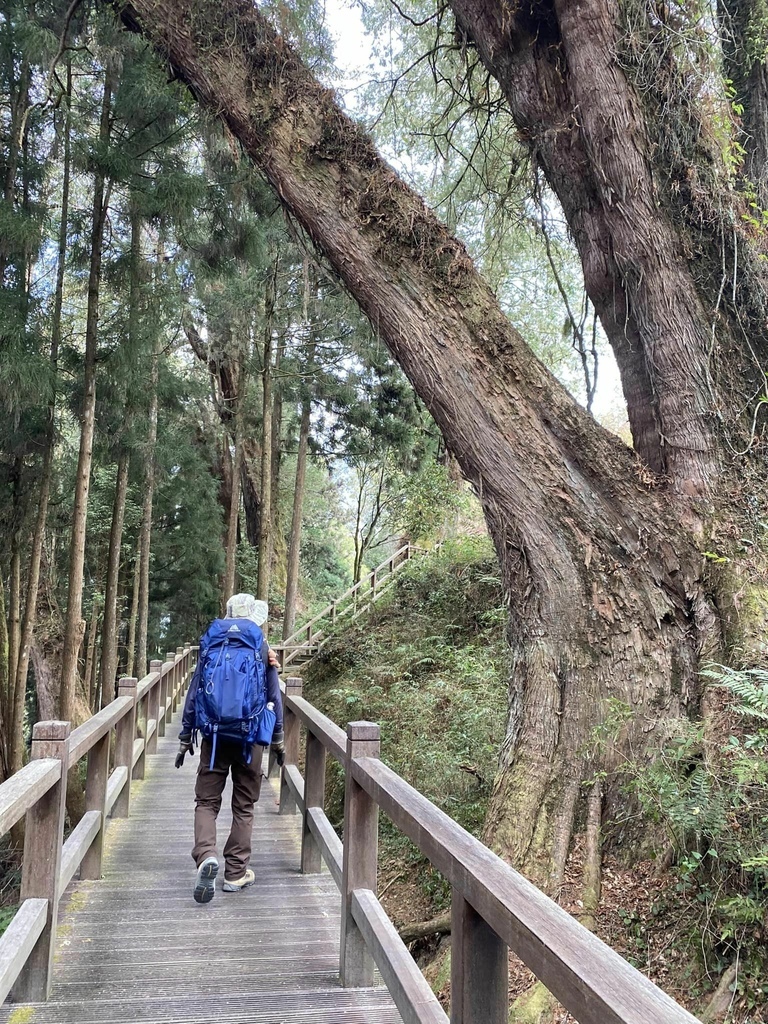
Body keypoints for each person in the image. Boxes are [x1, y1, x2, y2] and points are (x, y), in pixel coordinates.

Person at [177, 593, 285, 903]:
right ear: (252, 616)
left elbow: (195, 691)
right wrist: (277, 738)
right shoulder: (259, 645)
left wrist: (186, 735)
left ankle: (206, 855)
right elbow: (274, 696)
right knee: (244, 805)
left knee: (207, 801)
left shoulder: (213, 642)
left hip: (213, 735)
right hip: (250, 737)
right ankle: (236, 873)